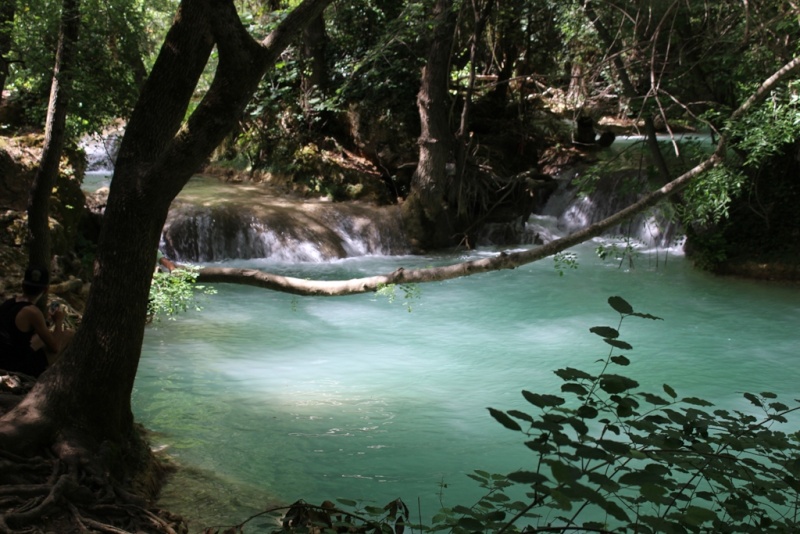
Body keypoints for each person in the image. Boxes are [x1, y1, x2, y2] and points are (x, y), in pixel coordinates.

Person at [0, 266, 71, 377]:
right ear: (46, 289)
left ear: (23, 285)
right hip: (17, 366)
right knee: (68, 334)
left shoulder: (9, 303)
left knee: (41, 337)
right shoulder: (33, 312)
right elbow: (55, 347)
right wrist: (58, 321)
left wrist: (44, 322)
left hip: (4, 358)